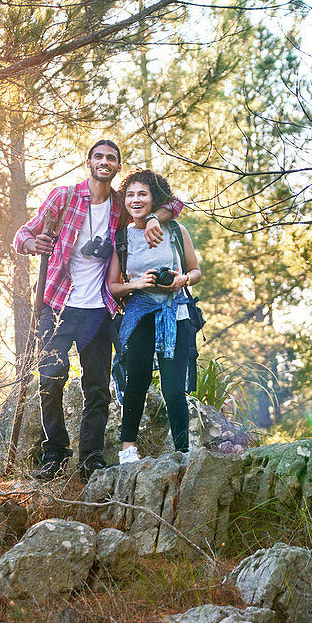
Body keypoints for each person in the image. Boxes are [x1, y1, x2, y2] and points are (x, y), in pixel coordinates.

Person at [14, 141, 181, 481]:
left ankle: (90, 457)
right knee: (50, 379)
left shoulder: (122, 205)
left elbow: (176, 204)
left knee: (97, 387)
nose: (104, 162)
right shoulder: (64, 197)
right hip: (57, 304)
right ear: (88, 162)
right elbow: (22, 235)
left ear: (118, 167)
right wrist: (33, 244)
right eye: (99, 157)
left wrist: (151, 218)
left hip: (98, 309)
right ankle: (55, 452)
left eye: (111, 158)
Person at [107, 169, 201, 462]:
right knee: (136, 380)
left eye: (142, 194)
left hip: (176, 314)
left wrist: (180, 280)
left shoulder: (175, 230)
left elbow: (196, 271)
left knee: (174, 387)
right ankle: (127, 451)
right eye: (130, 195)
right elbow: (112, 286)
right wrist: (136, 283)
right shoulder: (121, 239)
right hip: (139, 315)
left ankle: (182, 451)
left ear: (154, 199)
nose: (136, 200)